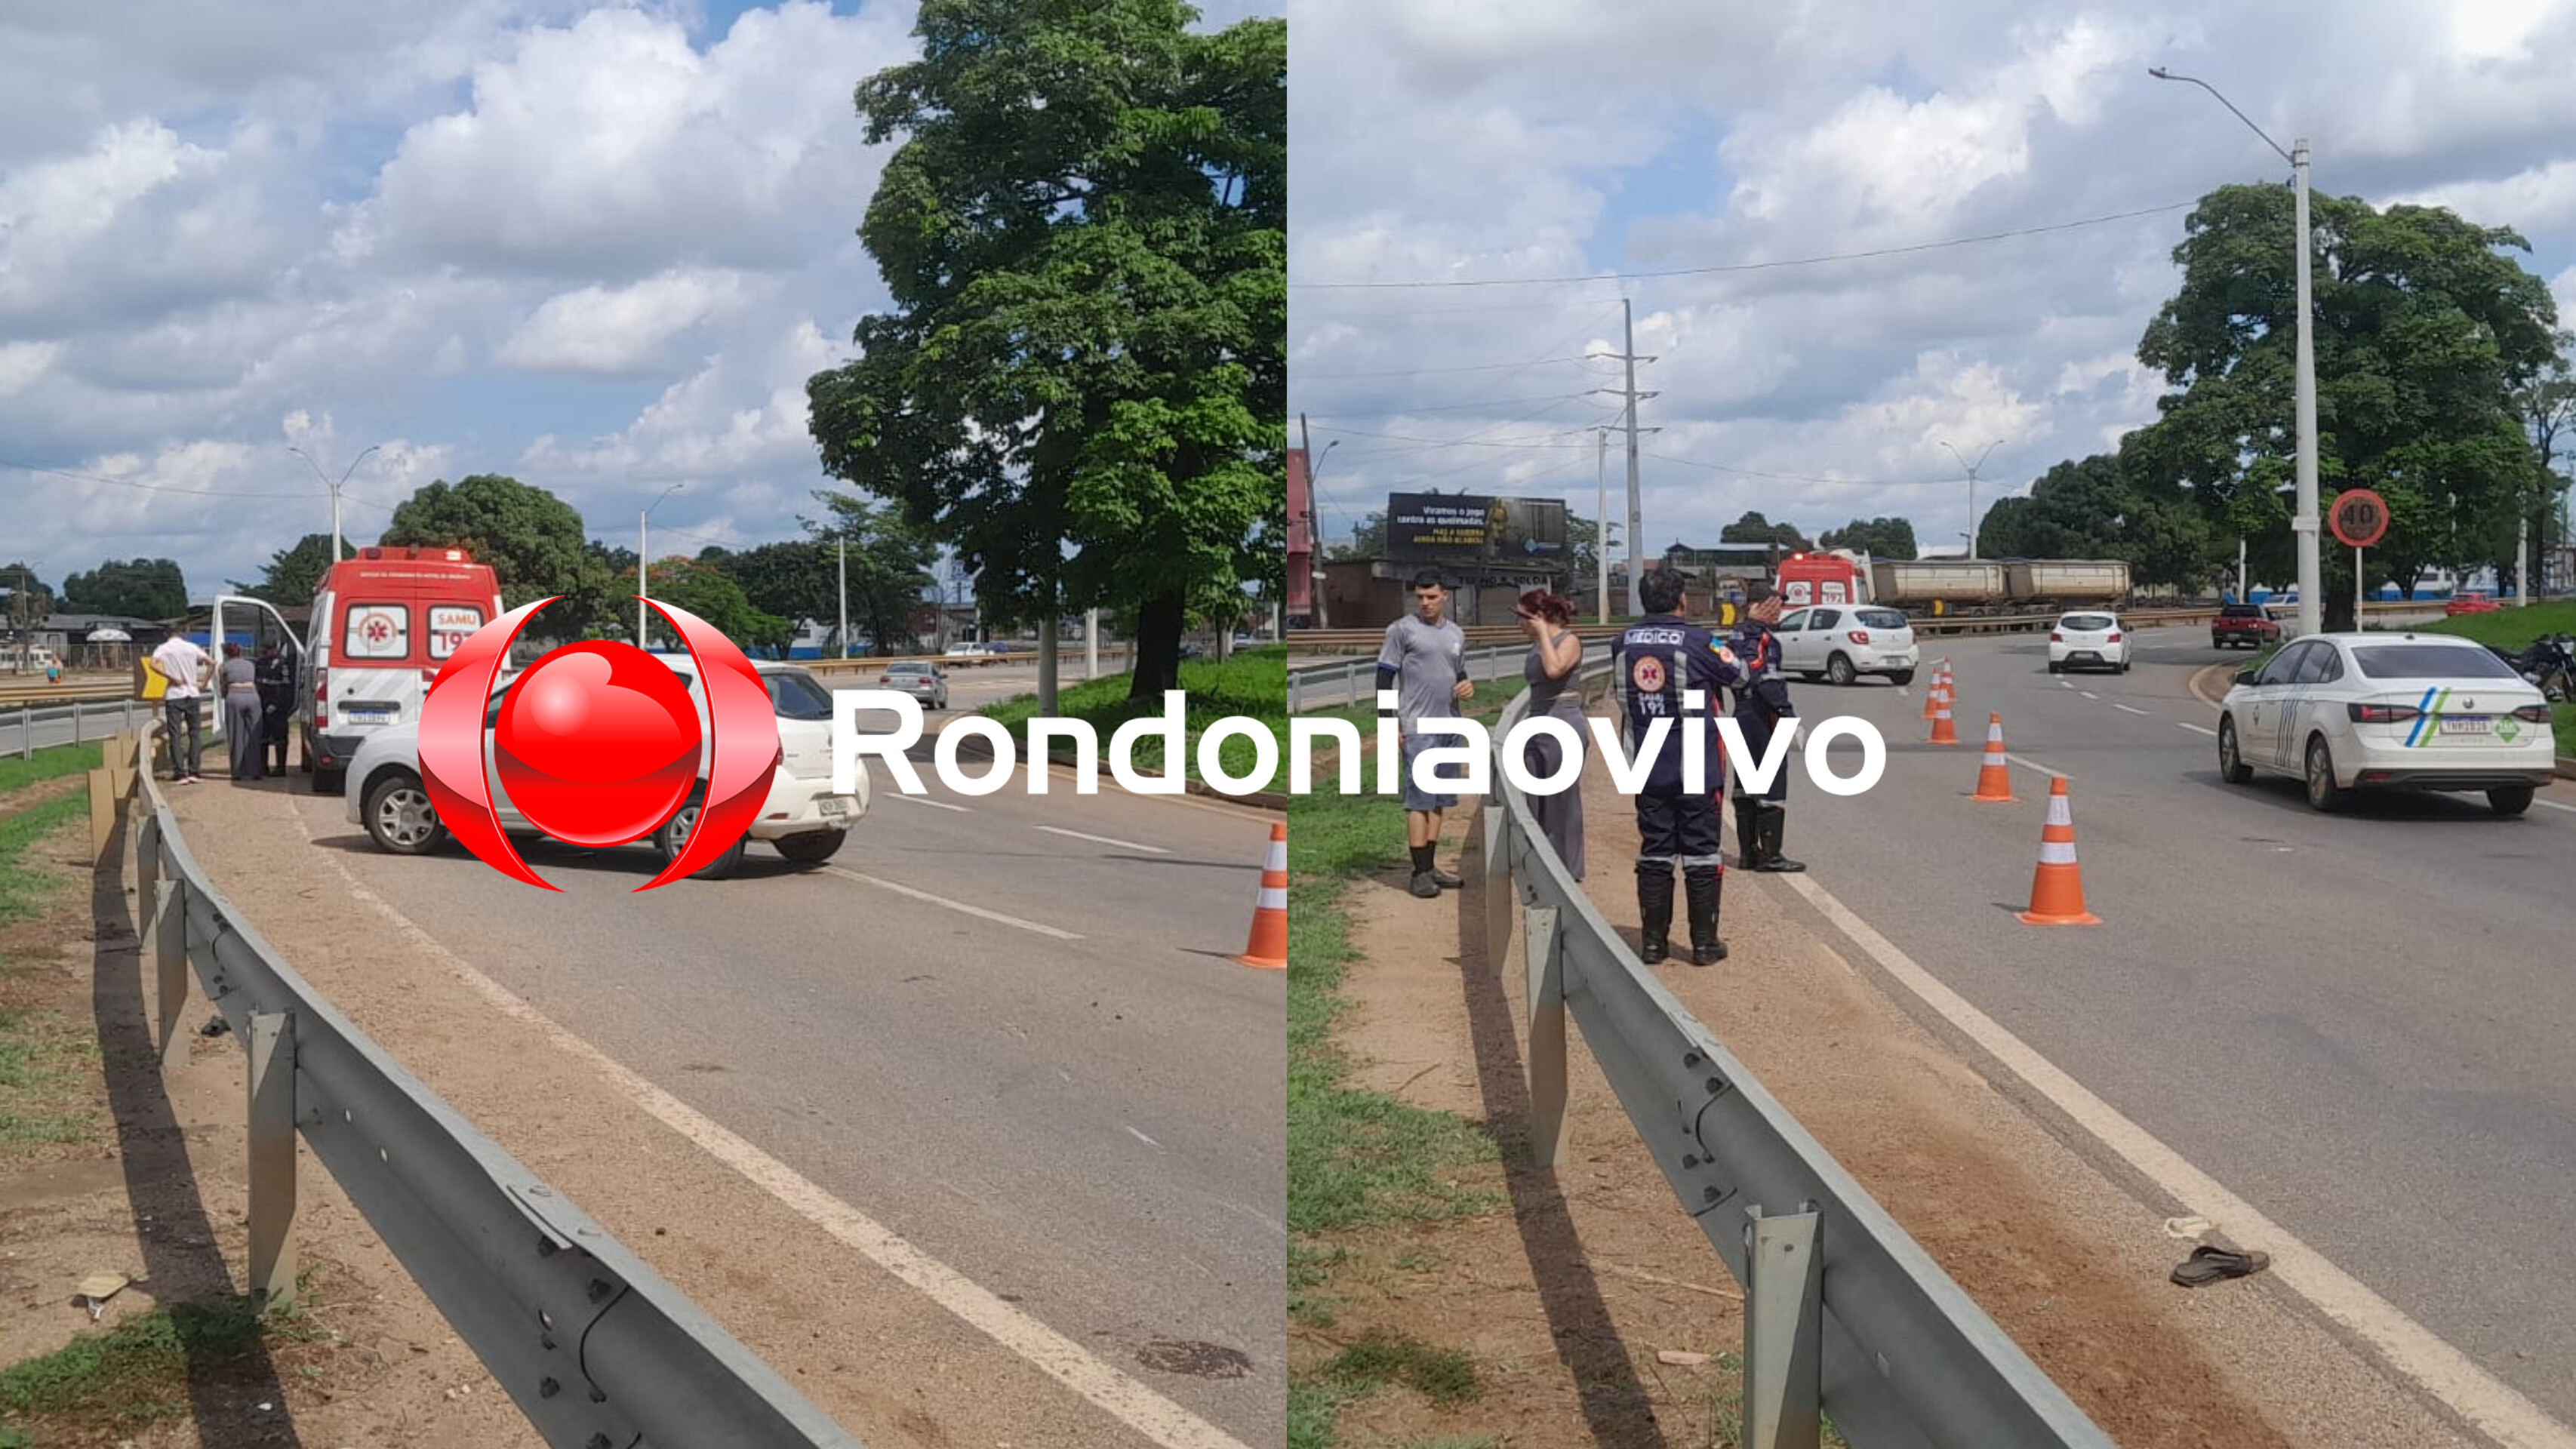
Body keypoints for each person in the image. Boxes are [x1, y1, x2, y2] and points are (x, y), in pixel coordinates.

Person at [1612, 568, 1746, 964]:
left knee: (1655, 849)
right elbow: (1739, 674)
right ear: (1681, 600)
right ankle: (1704, 944)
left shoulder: (1623, 641)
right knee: (1702, 851)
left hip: (1646, 762)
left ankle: (1654, 944)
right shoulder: (1700, 640)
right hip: (1695, 765)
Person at [1377, 569, 1473, 899]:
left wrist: (1467, 684)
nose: (1426, 603)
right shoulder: (1401, 631)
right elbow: (1384, 678)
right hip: (1417, 727)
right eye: (1420, 597)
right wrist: (1388, 722)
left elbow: (1458, 671)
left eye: (1432, 597)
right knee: (1419, 800)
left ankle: (1430, 866)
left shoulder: (1457, 633)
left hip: (1449, 725)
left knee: (1439, 800)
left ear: (1445, 596)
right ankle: (1418, 873)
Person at [1728, 583, 1805, 873]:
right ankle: (1771, 856)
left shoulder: (1737, 633)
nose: (1779, 611)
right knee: (1771, 783)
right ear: (1759, 604)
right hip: (1761, 715)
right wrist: (1786, 712)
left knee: (1747, 786)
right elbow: (1762, 677)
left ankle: (1749, 855)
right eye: (1775, 605)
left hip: (1742, 713)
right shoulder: (1759, 638)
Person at [1516, 589, 1586, 880]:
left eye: (1522, 617)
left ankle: (1568, 871)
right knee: (1534, 798)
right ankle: (1541, 862)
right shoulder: (1536, 644)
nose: (1519, 624)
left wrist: (1544, 632)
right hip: (1536, 722)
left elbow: (1555, 669)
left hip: (1562, 722)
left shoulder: (1568, 640)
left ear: (1540, 617)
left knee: (1562, 802)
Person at [149, 630, 211, 784]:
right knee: (195, 734)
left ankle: (180, 773)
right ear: (181, 634)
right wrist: (203, 682)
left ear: (166, 634)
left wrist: (171, 677)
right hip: (192, 693)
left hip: (174, 694)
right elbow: (212, 662)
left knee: (175, 734)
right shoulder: (191, 647)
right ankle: (194, 771)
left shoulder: (163, 648)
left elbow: (152, 664)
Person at [217, 643, 263, 781]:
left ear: (226, 654)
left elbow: (223, 687)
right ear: (240, 652)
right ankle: (255, 770)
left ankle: (237, 771)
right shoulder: (250, 664)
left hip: (235, 696)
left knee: (236, 735)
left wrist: (226, 695)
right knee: (254, 735)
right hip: (253, 696)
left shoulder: (223, 667)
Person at [256, 643, 295, 776]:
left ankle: (280, 768)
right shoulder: (260, 663)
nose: (265, 654)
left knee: (280, 738)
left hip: (278, 705)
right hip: (263, 703)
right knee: (263, 737)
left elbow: (287, 687)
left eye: (267, 651)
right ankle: (262, 766)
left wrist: (277, 704)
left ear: (274, 650)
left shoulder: (284, 664)